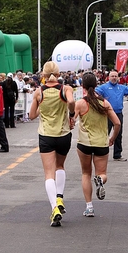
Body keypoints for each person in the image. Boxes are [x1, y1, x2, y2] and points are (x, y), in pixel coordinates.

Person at [28, 61, 75, 227]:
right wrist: (71, 114)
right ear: (59, 73)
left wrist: (42, 107)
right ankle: (60, 197)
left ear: (43, 75)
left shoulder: (39, 92)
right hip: (63, 134)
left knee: (49, 173)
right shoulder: (65, 89)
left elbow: (31, 115)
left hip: (46, 135)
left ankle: (54, 207)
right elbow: (70, 102)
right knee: (60, 167)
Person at [74, 72, 120, 217]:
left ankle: (89, 207)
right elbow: (117, 123)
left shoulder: (81, 103)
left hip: (85, 143)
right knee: (102, 173)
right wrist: (112, 137)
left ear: (83, 86)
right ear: (96, 84)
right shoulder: (105, 103)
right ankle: (100, 180)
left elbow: (70, 120)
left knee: (86, 173)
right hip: (102, 142)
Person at [95, 70, 128, 161]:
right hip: (107, 114)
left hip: (118, 113)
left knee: (118, 134)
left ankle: (117, 154)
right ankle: (101, 152)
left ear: (118, 77)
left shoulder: (121, 87)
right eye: (112, 76)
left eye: (115, 76)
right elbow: (94, 93)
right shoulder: (103, 87)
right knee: (105, 133)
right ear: (108, 78)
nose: (114, 78)